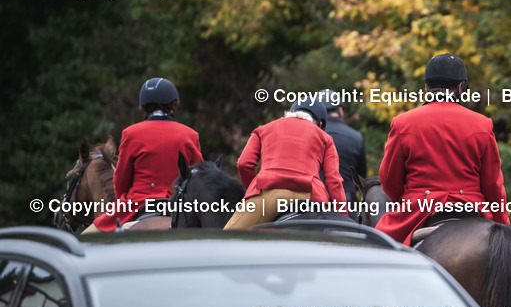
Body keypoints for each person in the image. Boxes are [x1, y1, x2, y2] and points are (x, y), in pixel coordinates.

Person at [376, 53, 510, 245]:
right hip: (471, 207)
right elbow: (493, 185)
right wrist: (502, 223)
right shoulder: (483, 124)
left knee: (380, 248)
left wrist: (408, 199)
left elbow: (388, 179)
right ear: (461, 87)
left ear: (426, 87)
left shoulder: (402, 123)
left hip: (419, 209)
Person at [89, 78, 202, 232]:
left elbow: (121, 180)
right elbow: (198, 178)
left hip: (139, 203)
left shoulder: (131, 134)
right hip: (179, 205)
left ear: (143, 107)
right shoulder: (190, 135)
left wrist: (122, 199)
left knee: (88, 237)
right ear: (174, 105)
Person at [223, 98, 346, 229]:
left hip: (268, 193)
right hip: (311, 197)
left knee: (228, 239)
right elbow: (334, 181)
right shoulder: (325, 138)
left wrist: (254, 189)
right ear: (320, 122)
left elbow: (244, 164)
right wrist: (343, 216)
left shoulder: (263, 129)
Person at [323, 90, 367, 209]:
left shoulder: (310, 135)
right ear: (341, 111)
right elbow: (361, 177)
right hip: (347, 204)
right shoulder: (356, 137)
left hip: (314, 203)